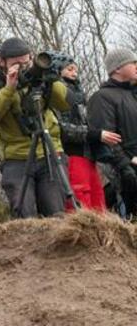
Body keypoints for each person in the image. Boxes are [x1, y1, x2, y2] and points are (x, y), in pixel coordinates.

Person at [0, 37, 70, 218]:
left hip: (49, 152)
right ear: (2, 62)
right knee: (24, 214)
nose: (23, 68)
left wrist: (50, 78)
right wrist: (9, 88)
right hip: (15, 159)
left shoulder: (39, 75)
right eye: (17, 64)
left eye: (27, 62)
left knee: (56, 212)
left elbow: (67, 103)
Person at [50, 52, 121, 212]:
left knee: (98, 199)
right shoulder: (56, 95)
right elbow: (60, 128)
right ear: (57, 71)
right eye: (69, 69)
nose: (74, 73)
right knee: (80, 198)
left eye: (75, 69)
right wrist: (94, 134)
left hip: (89, 154)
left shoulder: (80, 96)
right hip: (72, 154)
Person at [88, 47, 137, 218]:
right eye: (133, 63)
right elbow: (107, 138)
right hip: (121, 175)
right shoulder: (102, 98)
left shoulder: (133, 95)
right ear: (117, 68)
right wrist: (125, 165)